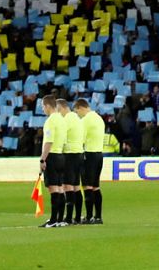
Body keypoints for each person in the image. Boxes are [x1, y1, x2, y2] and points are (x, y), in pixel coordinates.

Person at [74, 99, 106, 225]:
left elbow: (80, 139)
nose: (78, 114)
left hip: (89, 154)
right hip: (99, 154)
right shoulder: (99, 118)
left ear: (81, 108)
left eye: (77, 111)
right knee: (96, 186)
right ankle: (97, 216)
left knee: (87, 186)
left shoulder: (85, 120)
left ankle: (88, 216)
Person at [38, 96, 67, 228]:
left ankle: (53, 219)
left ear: (48, 106)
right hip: (61, 155)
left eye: (43, 106)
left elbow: (48, 142)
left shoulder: (50, 121)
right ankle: (60, 219)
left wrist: (43, 159)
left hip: (52, 156)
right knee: (60, 188)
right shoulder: (62, 119)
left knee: (53, 188)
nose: (43, 109)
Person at [57, 98, 86, 224]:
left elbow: (61, 136)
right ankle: (78, 216)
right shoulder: (78, 119)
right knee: (75, 186)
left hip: (69, 154)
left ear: (62, 108)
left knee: (67, 185)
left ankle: (68, 218)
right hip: (79, 153)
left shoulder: (66, 120)